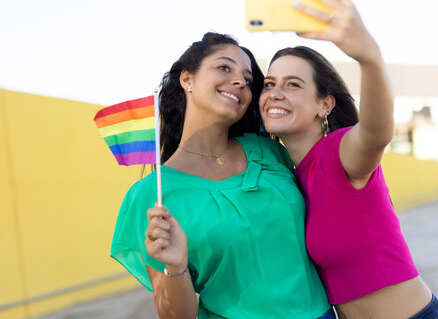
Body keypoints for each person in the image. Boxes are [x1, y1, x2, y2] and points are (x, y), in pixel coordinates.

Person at [259, 0, 438, 319]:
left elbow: (377, 133)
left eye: (292, 84)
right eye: (269, 83)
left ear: (325, 103)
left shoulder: (339, 152)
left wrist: (369, 56)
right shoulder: (289, 177)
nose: (275, 93)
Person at [110, 32, 333, 319]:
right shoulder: (153, 195)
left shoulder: (269, 151)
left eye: (248, 79)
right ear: (187, 79)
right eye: (224, 68)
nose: (240, 81)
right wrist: (177, 268)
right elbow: (176, 315)